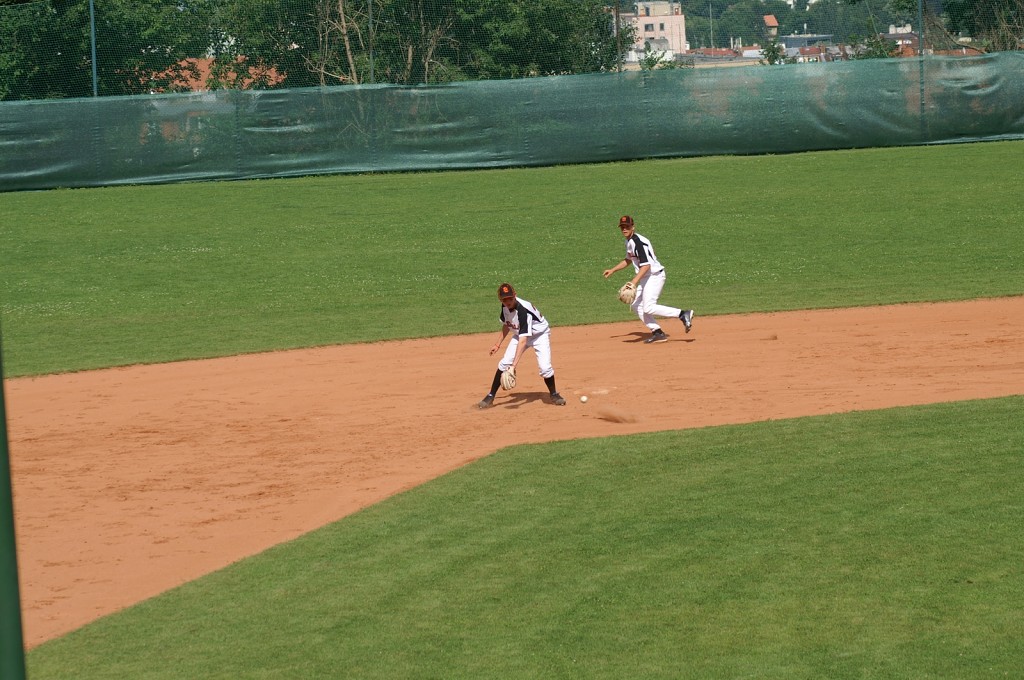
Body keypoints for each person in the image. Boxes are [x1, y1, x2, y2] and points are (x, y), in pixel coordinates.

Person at [602, 215, 694, 344]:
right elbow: (629, 259)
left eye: (627, 226)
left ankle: (682, 314)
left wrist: (633, 283)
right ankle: (657, 332)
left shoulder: (637, 242)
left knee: (649, 307)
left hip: (654, 276)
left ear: (633, 227)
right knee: (636, 305)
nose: (624, 229)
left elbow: (646, 266)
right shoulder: (630, 241)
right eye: (622, 227)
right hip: (647, 276)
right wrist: (613, 270)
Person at [477, 283, 567, 409]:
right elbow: (507, 324)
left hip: (539, 335)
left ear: (515, 295)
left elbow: (523, 341)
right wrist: (497, 344)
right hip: (520, 333)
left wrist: (513, 366)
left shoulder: (523, 310)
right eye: (504, 299)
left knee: (545, 368)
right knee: (504, 363)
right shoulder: (504, 307)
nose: (507, 301)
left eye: (510, 298)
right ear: (500, 300)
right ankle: (490, 396)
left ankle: (554, 394)